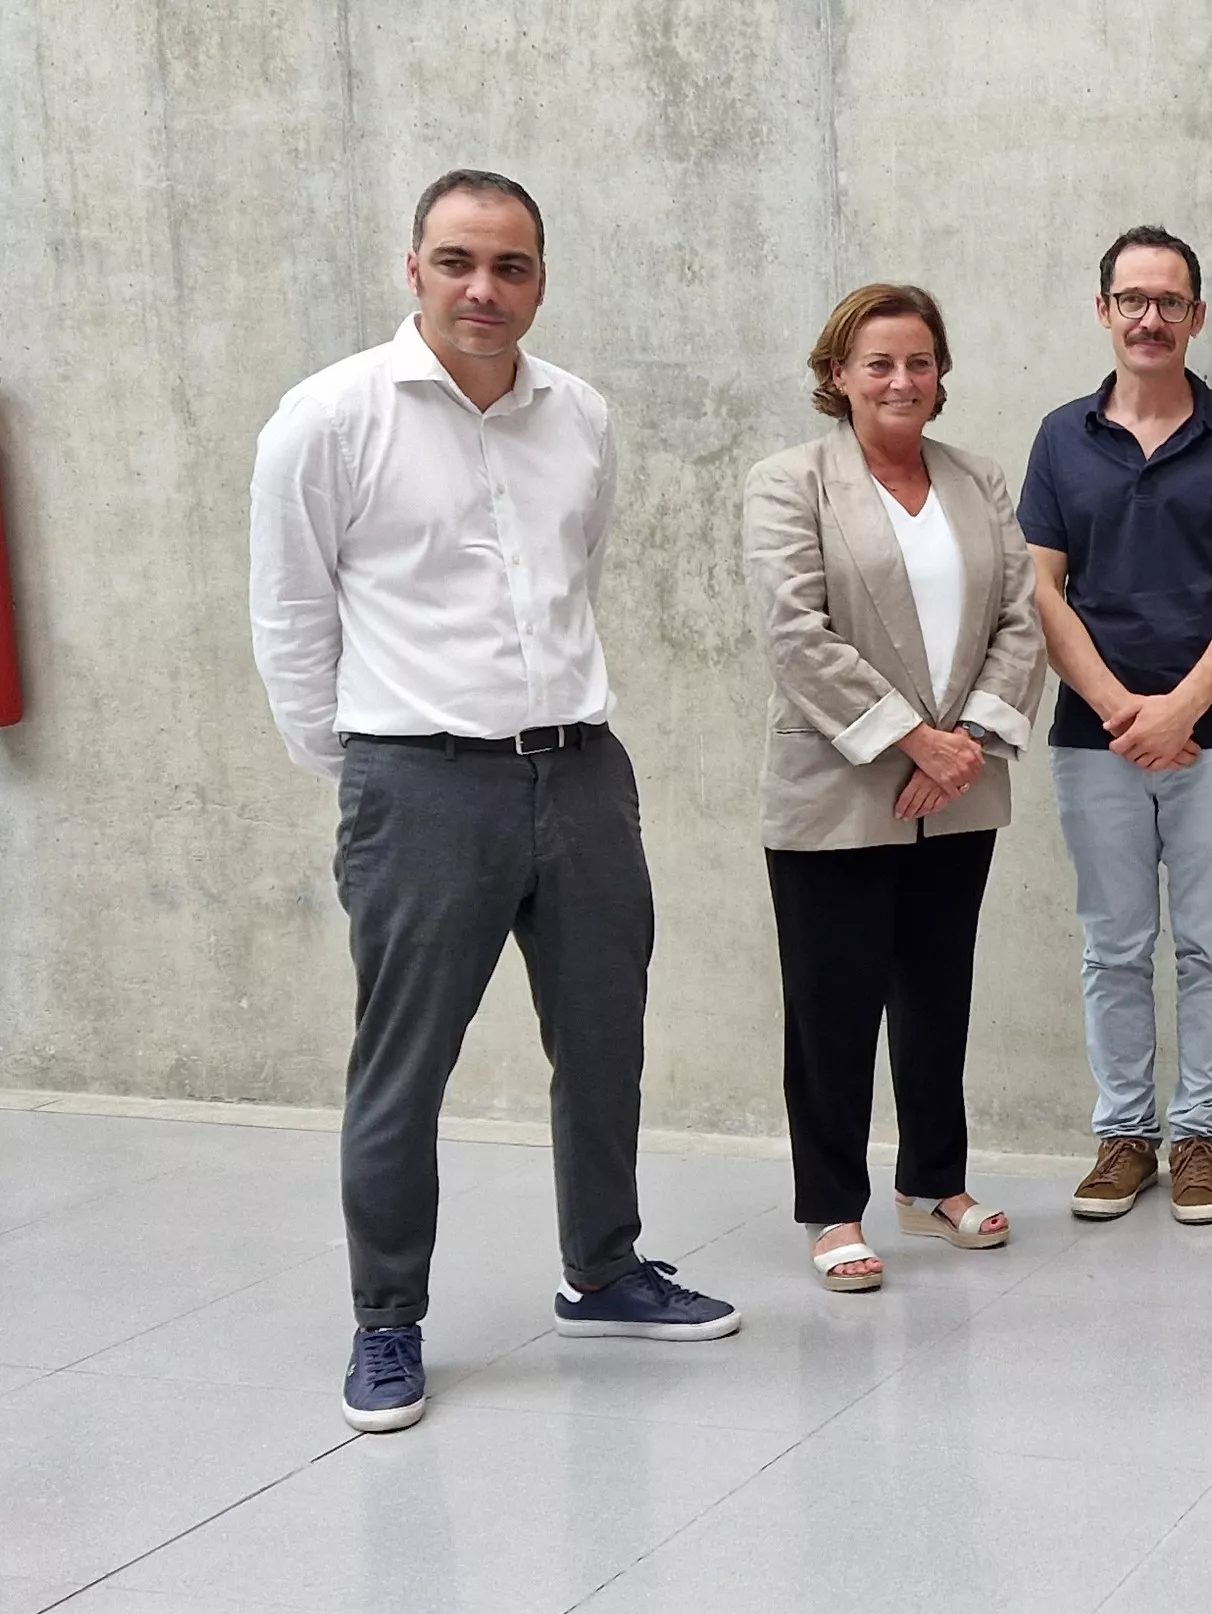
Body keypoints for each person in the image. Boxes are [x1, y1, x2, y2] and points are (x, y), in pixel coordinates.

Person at [248, 170, 739, 1435]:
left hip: (580, 771)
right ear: (412, 266)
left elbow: (576, 577)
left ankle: (604, 1269)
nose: (485, 288)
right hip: (419, 780)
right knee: (402, 1070)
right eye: (459, 260)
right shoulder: (328, 417)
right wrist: (371, 767)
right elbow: (292, 621)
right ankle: (386, 1321)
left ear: (540, 278)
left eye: (511, 266)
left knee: (605, 1040)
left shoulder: (578, 415)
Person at [740, 284, 1048, 1292]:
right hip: (838, 786)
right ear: (837, 375)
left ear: (941, 374)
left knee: (936, 993)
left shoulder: (979, 482)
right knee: (832, 1009)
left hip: (959, 785)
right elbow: (795, 633)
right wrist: (914, 742)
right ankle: (833, 1209)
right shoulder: (790, 484)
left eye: (919, 362)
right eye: (878, 363)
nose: (901, 381)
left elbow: (1021, 619)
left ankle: (932, 1187)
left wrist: (962, 747)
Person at [1020, 225, 1212, 1225]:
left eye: (1168, 302)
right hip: (1096, 740)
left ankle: (1201, 1138)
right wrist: (1118, 710)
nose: (1149, 318)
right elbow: (1042, 591)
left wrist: (1180, 710)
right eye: (1131, 299)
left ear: (1195, 318)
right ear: (1103, 312)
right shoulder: (1060, 438)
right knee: (1114, 945)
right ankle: (1125, 1134)